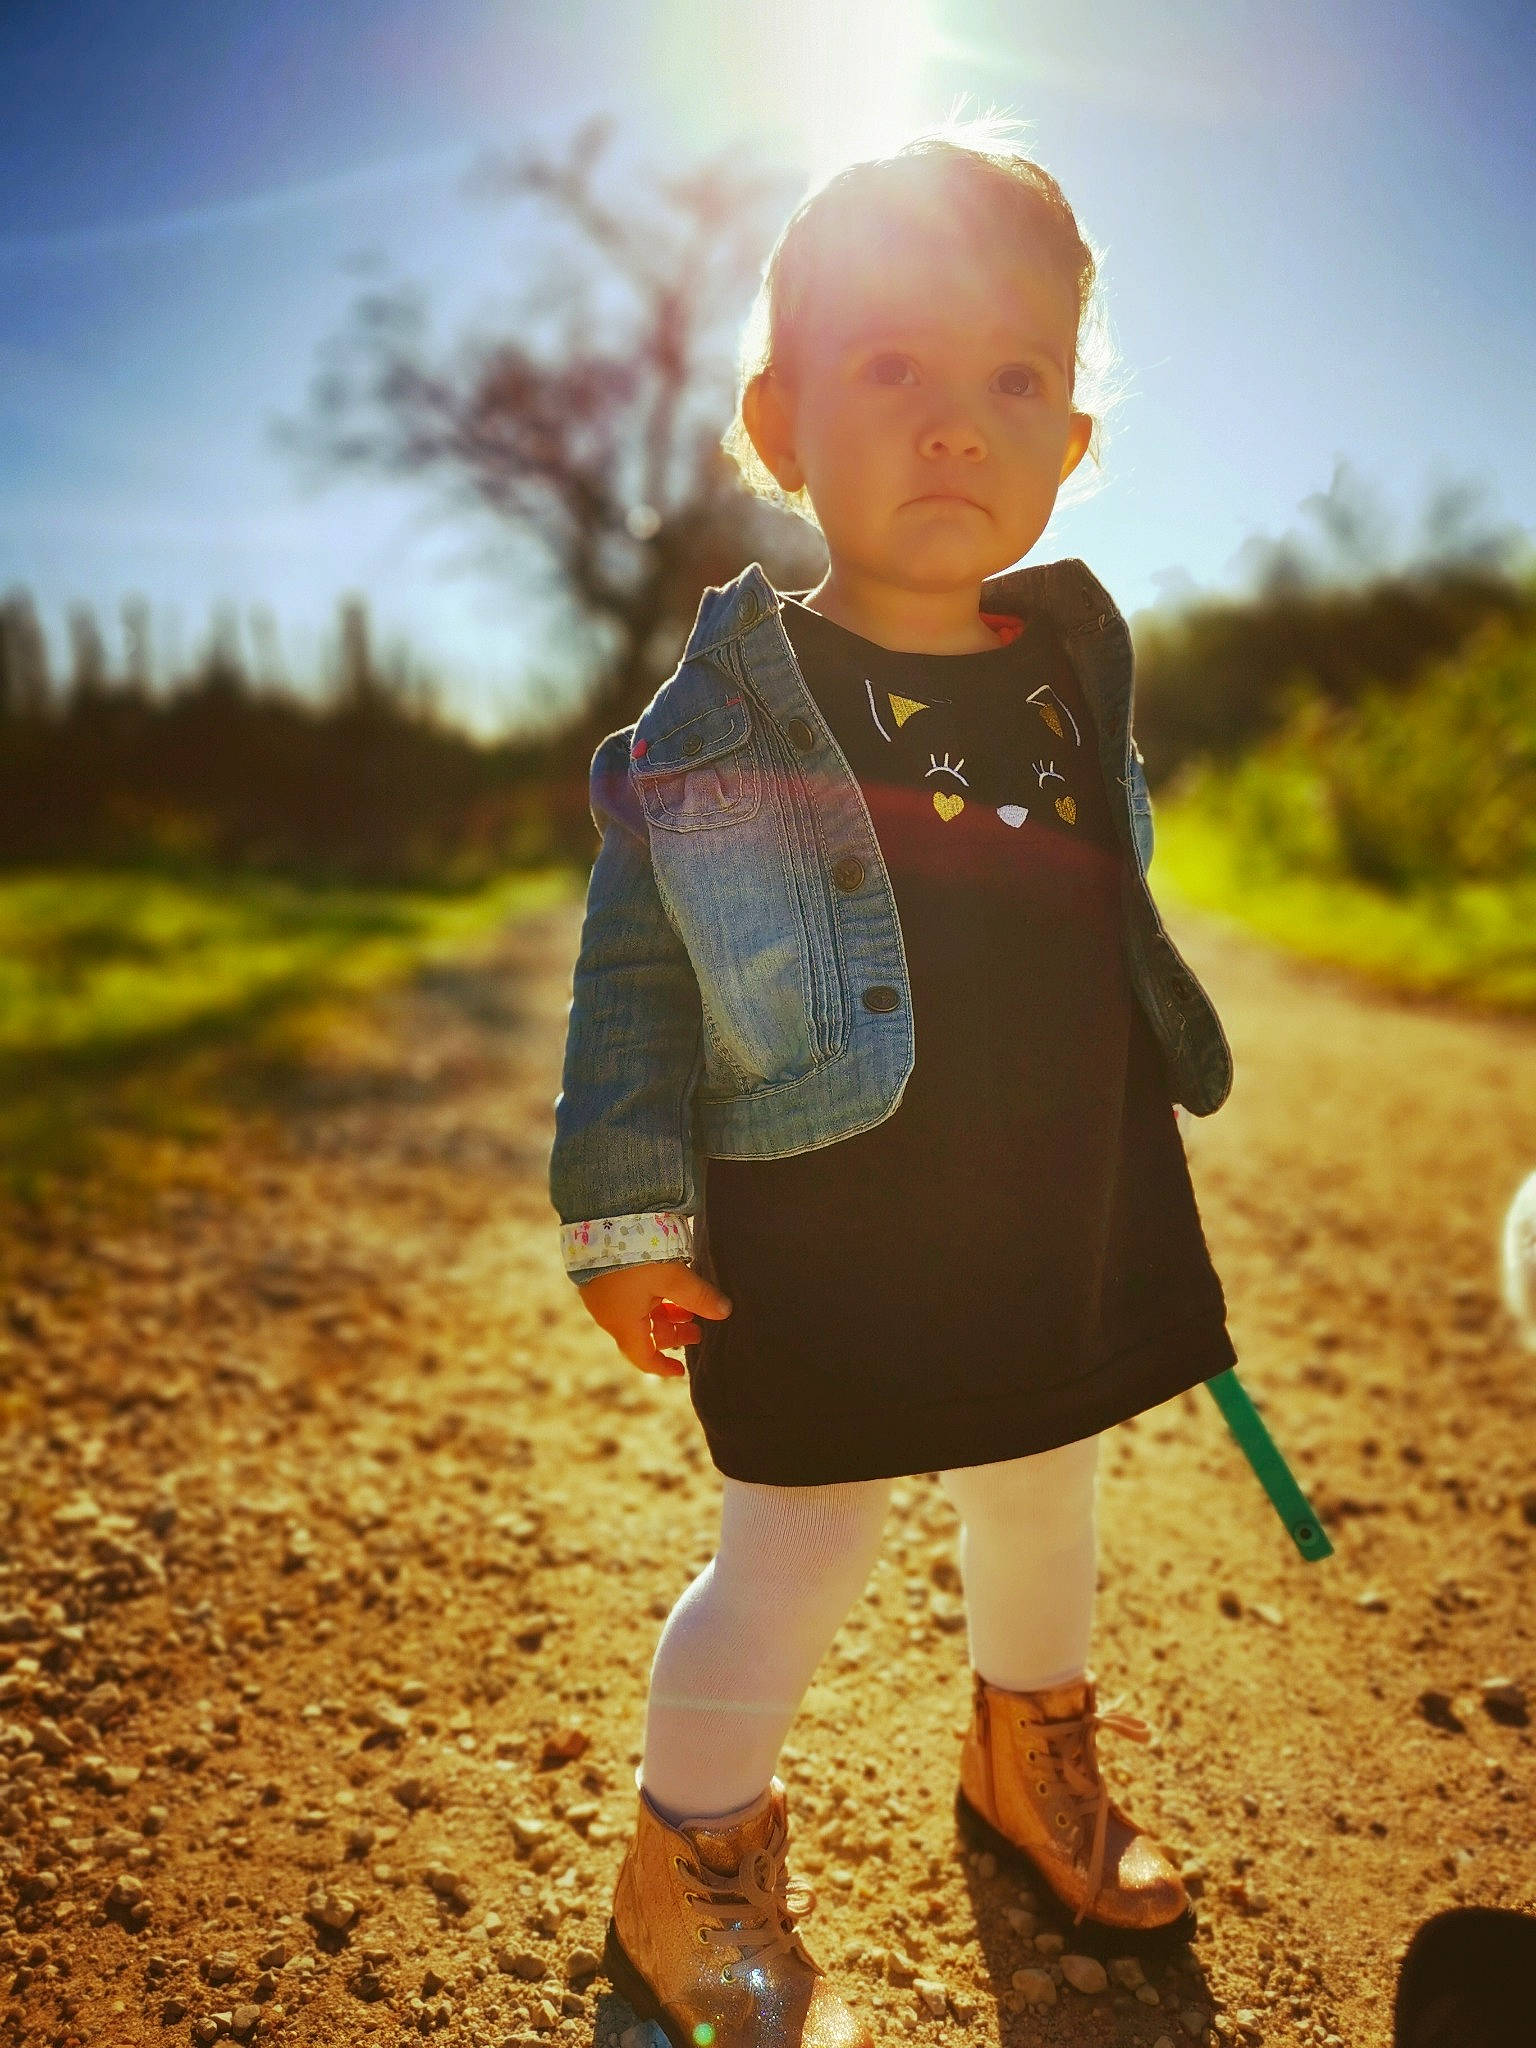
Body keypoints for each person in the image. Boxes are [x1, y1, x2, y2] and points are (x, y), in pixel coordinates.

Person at [548, 119, 1238, 2048]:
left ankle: (1029, 1760)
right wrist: (625, 1216)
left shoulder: (1074, 669)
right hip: (829, 1216)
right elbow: (634, 983)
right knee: (798, 1542)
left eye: (1013, 379)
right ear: (779, 426)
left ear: (1071, 443)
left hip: (1056, 1194)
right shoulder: (720, 719)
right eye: (891, 368)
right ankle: (688, 1861)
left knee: (1046, 1488)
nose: (955, 424)